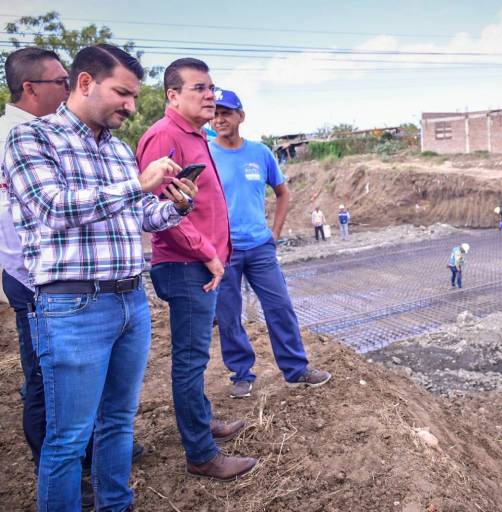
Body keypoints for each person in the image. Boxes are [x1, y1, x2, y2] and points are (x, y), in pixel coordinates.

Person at [3, 44, 197, 512]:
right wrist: (138, 185)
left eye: (134, 96)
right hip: (72, 307)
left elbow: (136, 216)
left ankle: (116, 504)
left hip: (131, 301)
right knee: (68, 438)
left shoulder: (118, 150)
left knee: (118, 423)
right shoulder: (31, 139)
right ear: (85, 83)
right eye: (123, 94)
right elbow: (52, 208)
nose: (131, 106)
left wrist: (175, 205)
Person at [136, 58, 257, 482]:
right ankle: (201, 454)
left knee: (197, 355)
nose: (210, 96)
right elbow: (162, 211)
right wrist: (208, 253)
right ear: (172, 95)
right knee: (189, 360)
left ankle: (202, 422)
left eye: (212, 88)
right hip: (186, 265)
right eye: (199, 89)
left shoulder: (194, 134)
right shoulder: (164, 136)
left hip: (200, 262)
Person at [209, 89, 331, 399]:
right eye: (216, 113)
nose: (220, 118)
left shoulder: (260, 153)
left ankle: (296, 368)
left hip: (260, 246)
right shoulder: (206, 153)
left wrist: (274, 233)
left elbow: (283, 192)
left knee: (279, 306)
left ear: (241, 116)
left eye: (227, 112)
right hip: (224, 250)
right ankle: (241, 374)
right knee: (228, 313)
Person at [0, 46, 70, 478]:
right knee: (44, 376)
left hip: (48, 272)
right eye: (61, 81)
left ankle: (82, 450)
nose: (69, 89)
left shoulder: (49, 130)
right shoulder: (13, 137)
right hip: (31, 276)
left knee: (67, 368)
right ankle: (54, 472)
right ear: (30, 88)